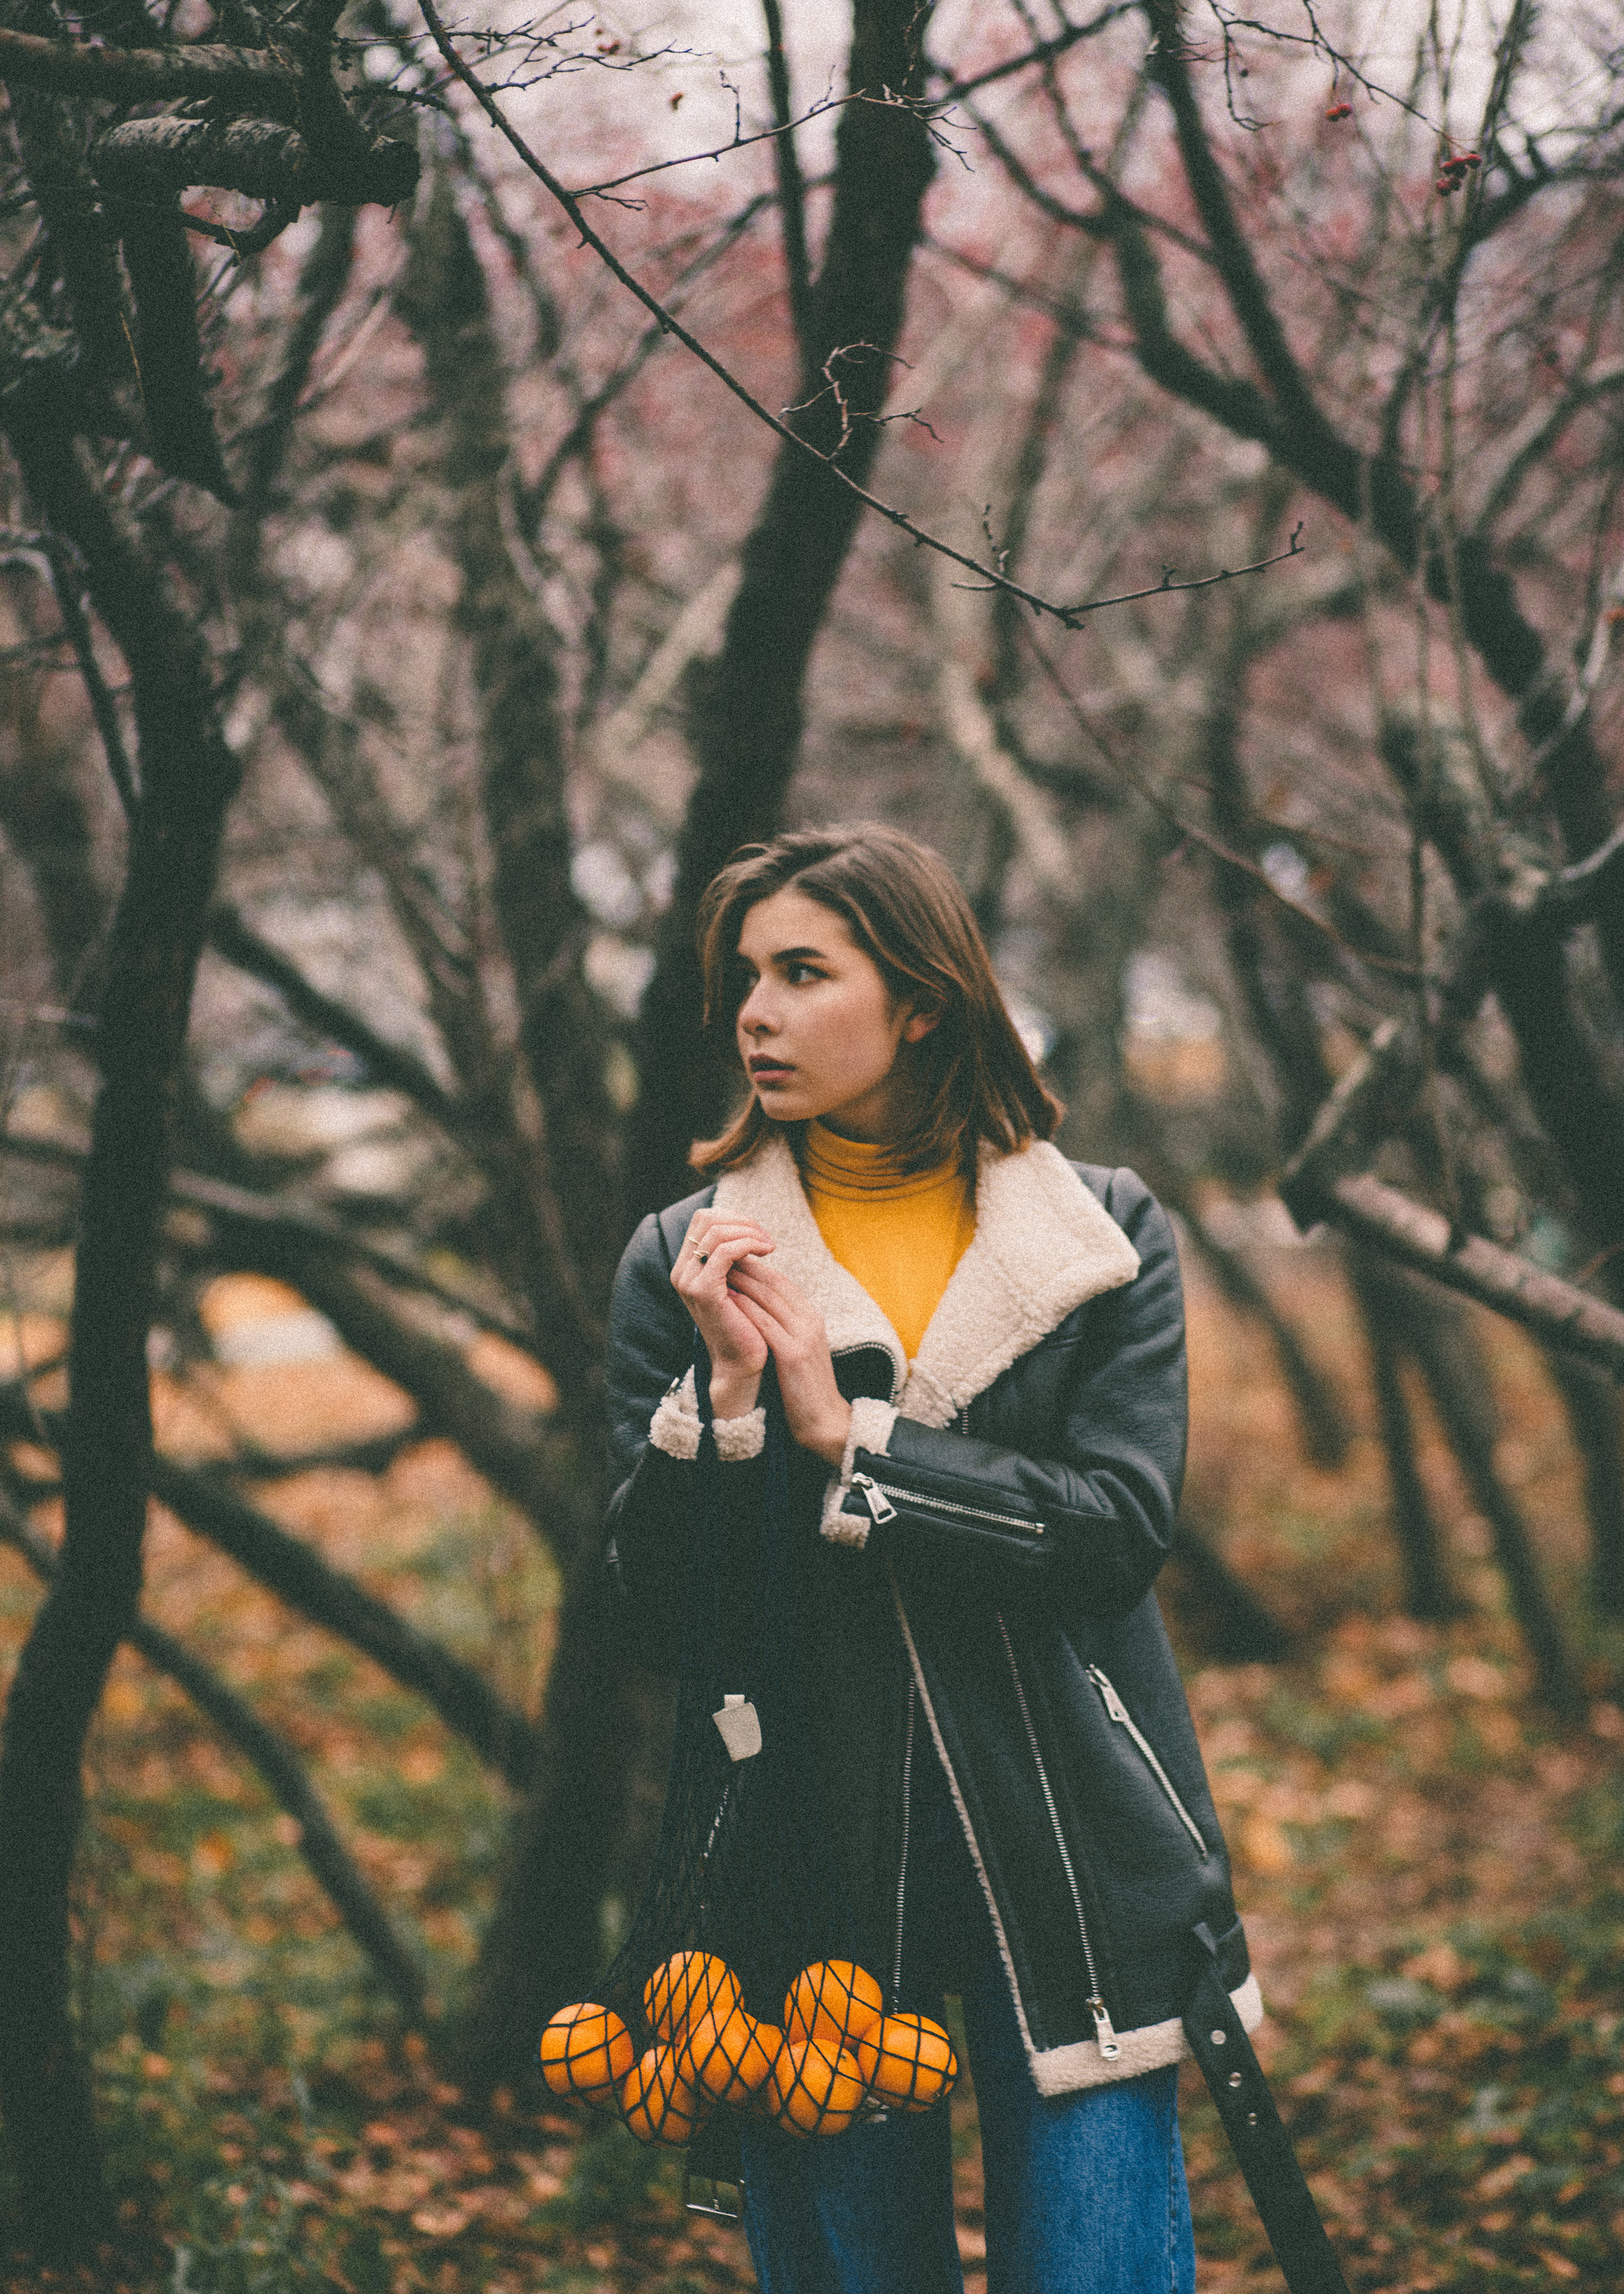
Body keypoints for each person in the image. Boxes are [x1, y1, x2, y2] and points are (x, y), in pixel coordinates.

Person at [605, 824, 1260, 2294]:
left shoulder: (1095, 1234)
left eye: (801, 972)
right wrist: (722, 1401)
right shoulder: (686, 1255)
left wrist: (855, 1442)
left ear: (919, 999)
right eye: (744, 977)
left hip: (1074, 1842)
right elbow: (655, 1612)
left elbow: (1112, 1532)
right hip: (803, 1870)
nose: (753, 1012)